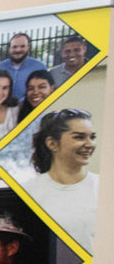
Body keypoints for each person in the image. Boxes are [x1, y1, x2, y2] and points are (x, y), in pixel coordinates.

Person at [21, 108, 97, 252]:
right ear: (52, 144)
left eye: (92, 137)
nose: (89, 144)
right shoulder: (29, 192)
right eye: (79, 137)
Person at [0, 31, 50, 97]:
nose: (18, 50)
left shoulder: (39, 67)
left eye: (22, 46)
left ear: (28, 47)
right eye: (14, 47)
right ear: (9, 48)